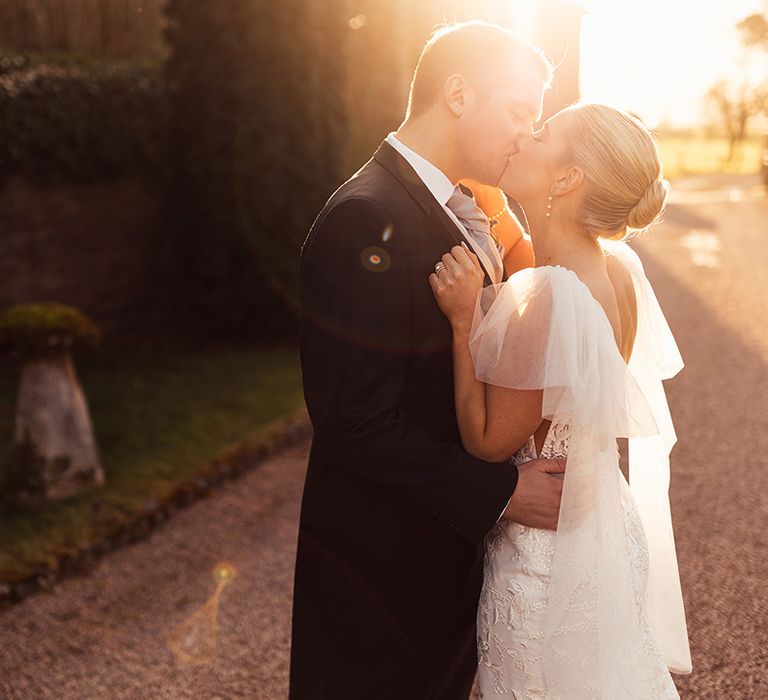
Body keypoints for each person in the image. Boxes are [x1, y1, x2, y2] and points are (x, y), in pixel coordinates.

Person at [291, 21, 567, 700]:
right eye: (519, 111)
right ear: (457, 93)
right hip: (379, 590)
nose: (528, 133)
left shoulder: (456, 210)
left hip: (432, 573)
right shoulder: (367, 216)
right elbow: (354, 422)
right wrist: (501, 493)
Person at [430, 102, 693, 697]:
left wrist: (461, 321)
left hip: (545, 554)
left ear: (568, 178)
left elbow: (488, 441)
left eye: (542, 132)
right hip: (602, 522)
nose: (524, 133)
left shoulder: (547, 297)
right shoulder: (619, 269)